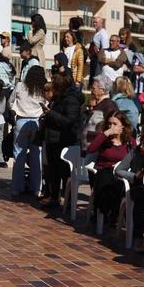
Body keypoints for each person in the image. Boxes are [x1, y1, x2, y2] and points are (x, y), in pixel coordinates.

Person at [41, 73, 83, 210]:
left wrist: (51, 114)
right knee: (53, 171)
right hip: (54, 139)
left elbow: (69, 121)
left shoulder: (71, 100)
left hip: (65, 140)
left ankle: (68, 200)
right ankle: (54, 197)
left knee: (64, 172)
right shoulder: (60, 98)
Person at [88, 111, 134, 230]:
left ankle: (117, 215)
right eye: (109, 124)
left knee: (123, 183)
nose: (111, 126)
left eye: (114, 124)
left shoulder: (129, 142)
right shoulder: (104, 138)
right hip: (104, 171)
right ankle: (107, 213)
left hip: (122, 174)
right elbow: (91, 149)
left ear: (123, 126)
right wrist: (106, 133)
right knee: (107, 179)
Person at [8, 65, 47, 197]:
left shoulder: (20, 86)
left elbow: (10, 102)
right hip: (37, 122)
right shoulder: (43, 89)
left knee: (19, 154)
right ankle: (37, 188)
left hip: (21, 121)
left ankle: (16, 187)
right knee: (37, 155)